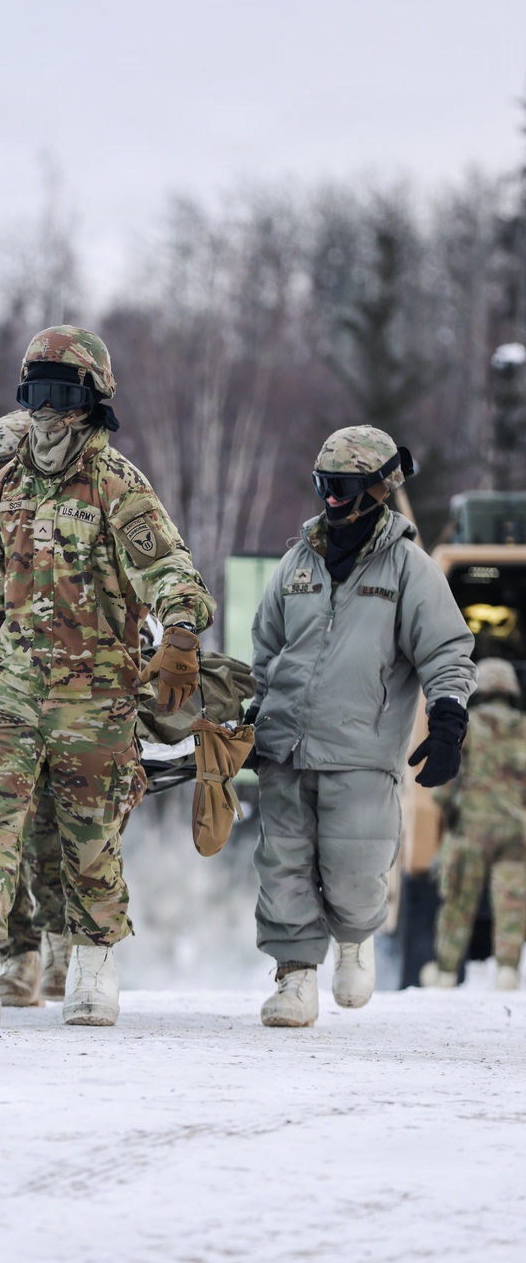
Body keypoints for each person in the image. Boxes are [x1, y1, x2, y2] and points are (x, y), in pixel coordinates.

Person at [0, 326, 215, 1029]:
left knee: (89, 839)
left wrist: (178, 635)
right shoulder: (3, 493)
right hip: (12, 689)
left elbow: (172, 571)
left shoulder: (117, 485)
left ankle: (92, 966)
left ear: (91, 401)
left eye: (61, 393)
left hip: (95, 694)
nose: (47, 411)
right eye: (35, 393)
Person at [250, 425, 476, 1027]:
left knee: (353, 867)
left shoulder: (408, 569)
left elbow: (447, 651)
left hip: (361, 750)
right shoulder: (298, 561)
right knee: (284, 866)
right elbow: (266, 648)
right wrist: (251, 715)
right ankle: (295, 979)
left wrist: (449, 718)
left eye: (344, 486)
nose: (330, 498)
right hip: (284, 747)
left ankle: (355, 938)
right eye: (324, 484)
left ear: (379, 489)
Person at [0, 410, 71, 1007]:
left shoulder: (84, 513)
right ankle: (19, 954)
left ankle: (63, 946)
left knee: (60, 832)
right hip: (5, 686)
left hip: (75, 690)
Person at [421, 657, 526, 991]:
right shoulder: (523, 727)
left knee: (458, 901)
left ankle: (447, 972)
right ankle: (508, 971)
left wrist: (448, 813)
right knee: (512, 902)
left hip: (472, 829)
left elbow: (447, 781)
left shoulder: (469, 727)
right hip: (516, 832)